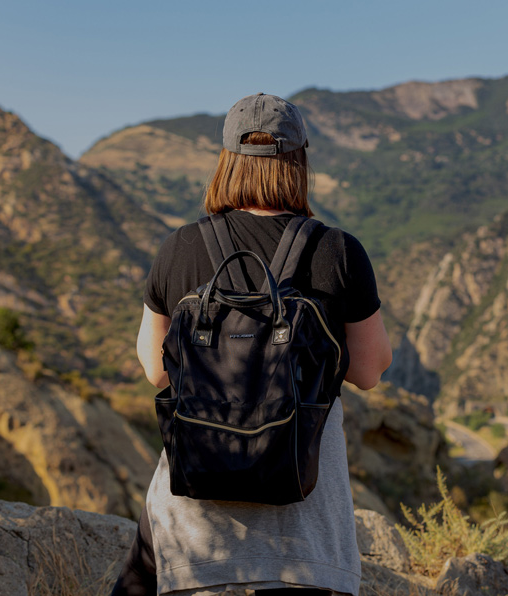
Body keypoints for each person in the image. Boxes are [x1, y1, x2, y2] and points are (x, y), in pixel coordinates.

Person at [111, 93, 392, 596]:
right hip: (303, 535)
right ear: (299, 161)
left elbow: (157, 370)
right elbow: (370, 369)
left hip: (194, 533)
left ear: (227, 161)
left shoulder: (181, 247)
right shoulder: (336, 250)